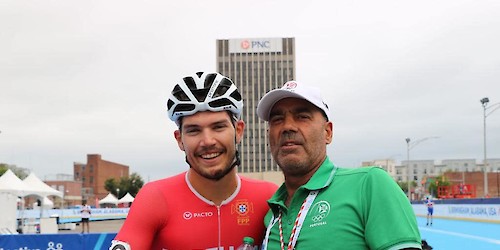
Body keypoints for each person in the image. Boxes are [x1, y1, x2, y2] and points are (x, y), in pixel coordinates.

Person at [110, 72, 277, 249]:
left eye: (218, 127)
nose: (207, 141)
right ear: (179, 139)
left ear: (238, 131)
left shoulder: (268, 197)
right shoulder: (155, 198)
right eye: (193, 131)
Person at [256, 81, 422, 249]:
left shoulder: (368, 185)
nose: (287, 126)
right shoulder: (271, 215)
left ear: (328, 132)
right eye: (277, 119)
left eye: (302, 117)